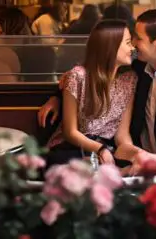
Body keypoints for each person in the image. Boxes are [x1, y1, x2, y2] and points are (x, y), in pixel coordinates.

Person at [38, 9, 156, 160]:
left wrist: (151, 161)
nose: (134, 45)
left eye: (137, 39)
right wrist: (57, 96)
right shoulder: (140, 63)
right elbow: (94, 71)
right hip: (121, 153)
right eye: (131, 40)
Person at [45, 19, 136, 167]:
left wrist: (134, 155)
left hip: (105, 150)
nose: (132, 48)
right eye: (127, 42)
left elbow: (122, 135)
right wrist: (100, 150)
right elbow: (70, 132)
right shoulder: (78, 76)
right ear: (110, 46)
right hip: (72, 148)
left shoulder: (130, 79)